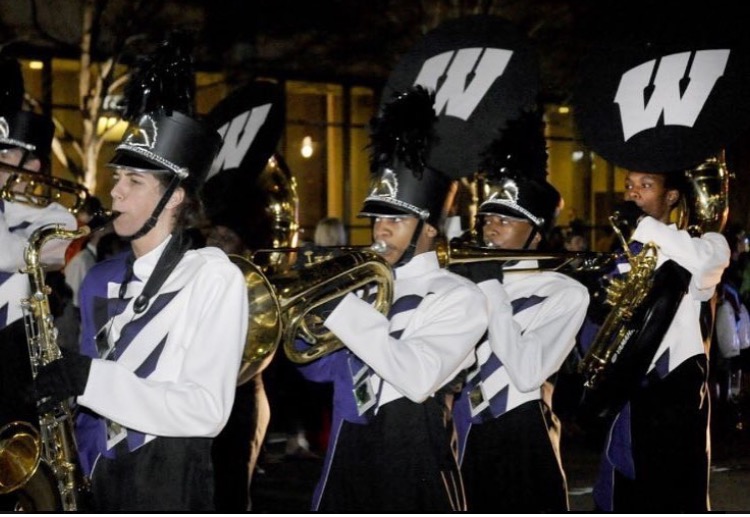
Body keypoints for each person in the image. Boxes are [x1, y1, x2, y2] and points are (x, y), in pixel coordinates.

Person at [29, 109, 248, 511]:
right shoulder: (104, 277)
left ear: (174, 196)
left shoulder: (212, 277)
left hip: (169, 480)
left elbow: (207, 410)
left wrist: (90, 378)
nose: (115, 192)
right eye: (116, 178)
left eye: (134, 181)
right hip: (100, 473)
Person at [295, 85, 488, 512]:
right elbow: (317, 373)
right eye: (378, 217)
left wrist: (340, 308)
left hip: (411, 457)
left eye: (397, 218)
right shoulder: (361, 286)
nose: (381, 229)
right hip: (347, 448)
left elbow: (417, 377)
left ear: (431, 228)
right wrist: (304, 315)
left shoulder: (459, 296)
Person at [451, 111, 590, 512]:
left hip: (522, 430)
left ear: (534, 234)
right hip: (465, 427)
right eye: (488, 219)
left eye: (506, 221)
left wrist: (491, 286)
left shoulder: (564, 292)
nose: (491, 228)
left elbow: (528, 373)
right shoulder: (466, 282)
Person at [588, 165, 730, 512]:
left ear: (671, 197)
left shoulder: (706, 244)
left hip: (674, 397)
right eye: (629, 185)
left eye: (645, 185)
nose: (632, 193)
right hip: (628, 397)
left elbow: (704, 265)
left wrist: (642, 226)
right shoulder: (621, 254)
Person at [0, 107, 77, 432]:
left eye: (5, 153)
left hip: (17, 369)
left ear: (32, 166)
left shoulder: (58, 218)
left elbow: (7, 256)